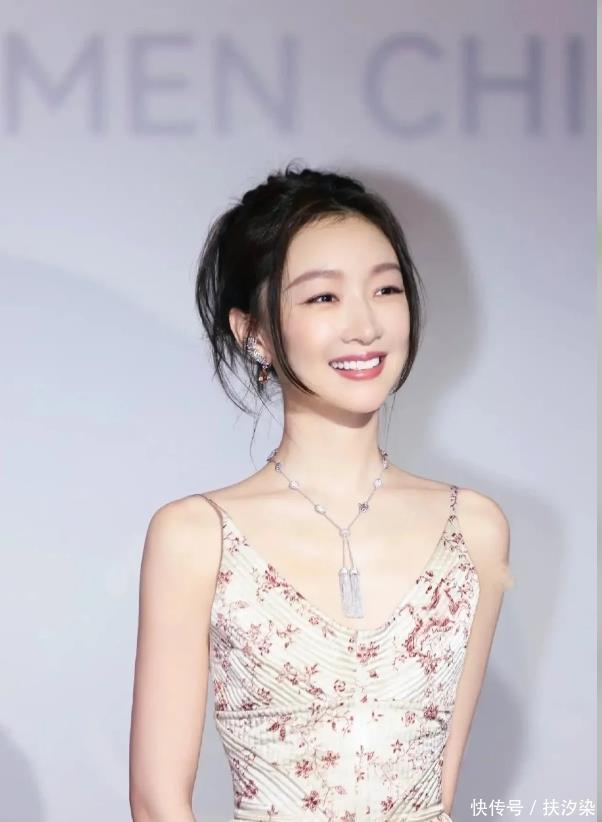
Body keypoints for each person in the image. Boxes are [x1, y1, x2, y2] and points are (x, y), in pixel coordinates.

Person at [129, 164, 515, 822]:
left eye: (386, 289)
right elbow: (157, 800)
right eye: (323, 298)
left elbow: (439, 790)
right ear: (254, 333)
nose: (365, 325)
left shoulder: (475, 529)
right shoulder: (197, 536)